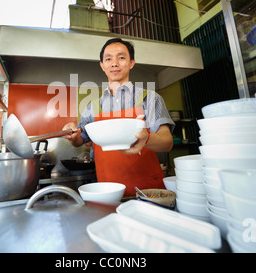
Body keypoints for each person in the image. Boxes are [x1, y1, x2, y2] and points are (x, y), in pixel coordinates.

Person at [62, 38, 175, 197]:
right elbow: (80, 140)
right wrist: (72, 135)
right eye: (108, 59)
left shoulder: (149, 99)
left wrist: (146, 138)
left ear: (131, 63)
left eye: (121, 58)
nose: (114, 63)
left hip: (147, 193)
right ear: (102, 65)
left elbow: (167, 143)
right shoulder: (92, 106)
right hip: (107, 192)